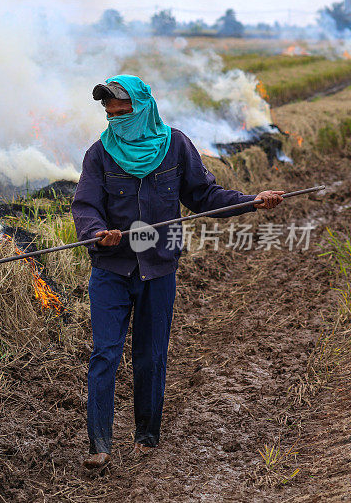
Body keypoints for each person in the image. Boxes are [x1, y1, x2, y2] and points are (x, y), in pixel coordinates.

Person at [71, 75, 283, 469]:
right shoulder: (99, 154)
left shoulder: (176, 146)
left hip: (158, 267)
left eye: (124, 111)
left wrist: (252, 202)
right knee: (104, 354)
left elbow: (205, 196)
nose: (116, 118)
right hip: (111, 269)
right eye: (110, 113)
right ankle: (99, 444)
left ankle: (146, 437)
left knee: (151, 355)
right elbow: (85, 206)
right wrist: (97, 233)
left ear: (144, 106)